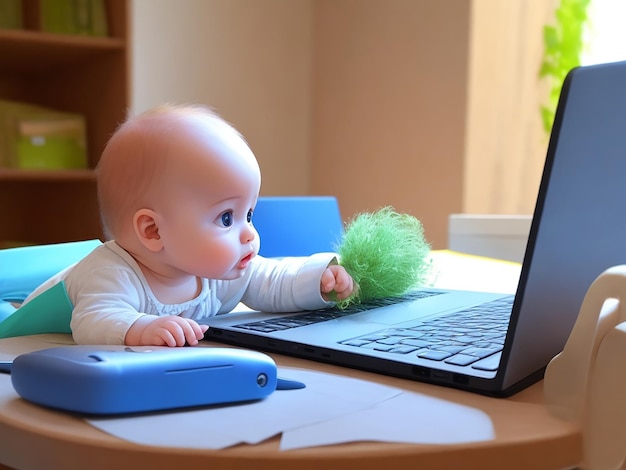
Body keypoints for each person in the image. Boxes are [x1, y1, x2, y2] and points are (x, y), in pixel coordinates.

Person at [23, 104, 355, 347]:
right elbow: (92, 321)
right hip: (23, 333)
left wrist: (317, 280)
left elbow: (269, 281)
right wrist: (141, 328)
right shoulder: (111, 274)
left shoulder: (215, 270)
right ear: (153, 231)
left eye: (249, 214)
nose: (249, 234)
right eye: (227, 218)